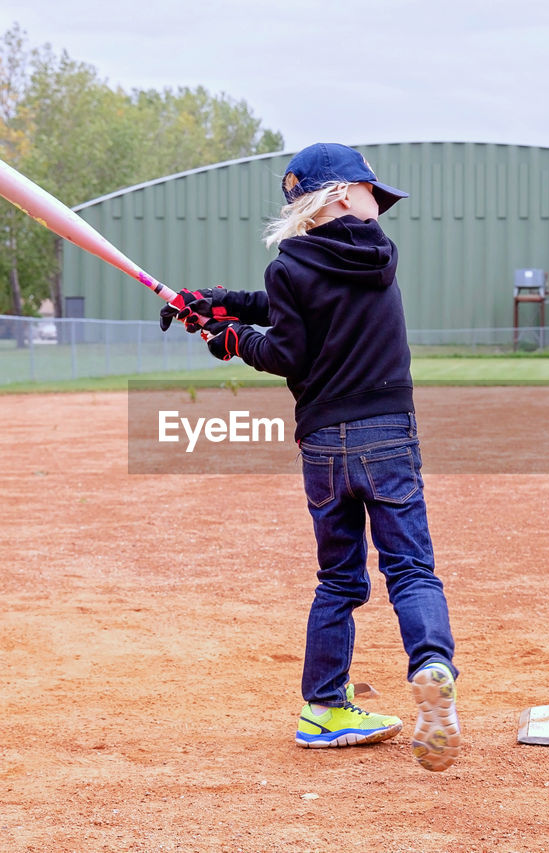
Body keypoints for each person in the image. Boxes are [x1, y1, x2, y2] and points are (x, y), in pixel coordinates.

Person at [159, 143, 460, 772]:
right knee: (411, 570)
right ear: (345, 194)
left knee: (340, 580)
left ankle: (324, 707)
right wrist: (225, 303)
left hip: (324, 444)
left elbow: (288, 347)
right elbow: (308, 314)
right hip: (389, 435)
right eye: (373, 192)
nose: (379, 203)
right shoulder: (379, 257)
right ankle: (431, 664)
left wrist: (233, 340)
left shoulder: (289, 265)